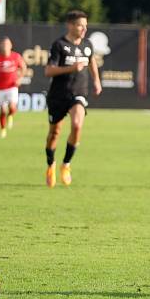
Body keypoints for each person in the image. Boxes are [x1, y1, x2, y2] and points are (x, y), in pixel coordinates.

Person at [44, 10, 102, 188]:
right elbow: (48, 71)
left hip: (79, 92)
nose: (84, 29)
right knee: (54, 133)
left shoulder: (87, 44)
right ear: (70, 25)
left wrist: (97, 81)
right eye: (80, 25)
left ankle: (66, 164)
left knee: (77, 125)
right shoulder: (59, 45)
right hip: (58, 95)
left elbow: (91, 60)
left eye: (85, 25)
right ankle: (51, 164)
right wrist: (71, 68)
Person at [0, 36, 27, 138]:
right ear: (1, 46)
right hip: (0, 88)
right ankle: (3, 129)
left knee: (12, 107)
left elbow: (23, 67)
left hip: (12, 87)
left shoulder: (16, 57)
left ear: (11, 46)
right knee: (3, 110)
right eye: (3, 44)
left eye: (7, 44)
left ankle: (10, 115)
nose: (5, 46)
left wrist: (20, 78)